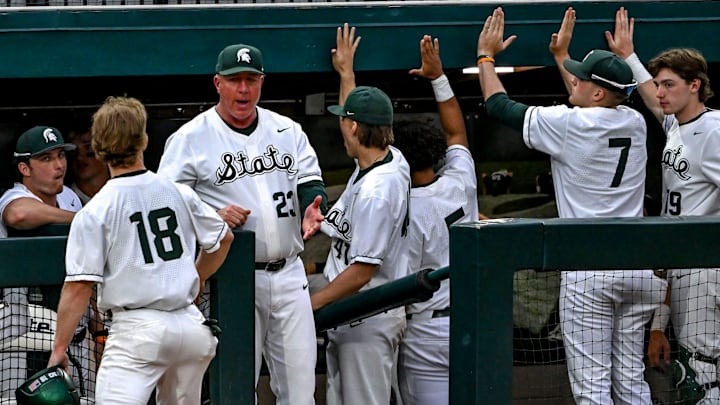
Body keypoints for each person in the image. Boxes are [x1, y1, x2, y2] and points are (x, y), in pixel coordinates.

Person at [476, 7, 666, 404]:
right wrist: (562, 58)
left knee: (592, 390)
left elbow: (498, 106)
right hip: (637, 268)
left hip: (590, 269)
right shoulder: (632, 120)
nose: (573, 78)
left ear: (597, 92)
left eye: (580, 76)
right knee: (631, 383)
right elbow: (593, 98)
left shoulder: (569, 124)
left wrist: (485, 58)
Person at [157, 43, 326, 404]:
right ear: (218, 83)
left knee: (300, 392)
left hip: (290, 273)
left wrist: (313, 207)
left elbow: (309, 180)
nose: (244, 89)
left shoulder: (287, 129)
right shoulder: (189, 138)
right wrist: (210, 218)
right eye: (235, 81)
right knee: (236, 387)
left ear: (262, 82)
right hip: (233, 277)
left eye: (251, 79)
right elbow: (165, 205)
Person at [48, 96, 234, 404]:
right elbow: (223, 239)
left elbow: (80, 286)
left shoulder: (96, 210)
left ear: (100, 144)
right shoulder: (178, 191)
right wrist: (197, 278)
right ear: (143, 140)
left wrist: (59, 349)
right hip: (190, 329)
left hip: (137, 332)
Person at [607, 7, 720, 403]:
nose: (660, 93)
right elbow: (652, 101)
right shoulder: (676, 123)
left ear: (695, 85)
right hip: (682, 265)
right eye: (657, 84)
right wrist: (628, 57)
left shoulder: (715, 131)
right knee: (695, 367)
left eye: (669, 84)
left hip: (707, 267)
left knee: (702, 371)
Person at [309, 23, 411, 405]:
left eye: (345, 121)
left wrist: (312, 306)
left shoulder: (377, 191)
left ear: (354, 128)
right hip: (360, 315)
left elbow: (362, 270)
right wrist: (347, 75)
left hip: (366, 314)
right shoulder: (388, 157)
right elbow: (356, 116)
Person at [391, 35, 478, 405]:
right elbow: (457, 132)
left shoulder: (404, 207)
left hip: (428, 332)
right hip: (475, 322)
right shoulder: (462, 180)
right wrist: (438, 78)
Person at [0, 125, 85, 398]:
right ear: (25, 168)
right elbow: (18, 215)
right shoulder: (14, 196)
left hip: (72, 327)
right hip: (20, 331)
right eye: (46, 159)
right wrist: (81, 220)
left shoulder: (70, 198)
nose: (58, 165)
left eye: (61, 155)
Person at [67, 125, 110, 205]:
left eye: (88, 148)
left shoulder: (125, 191)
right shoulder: (64, 200)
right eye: (73, 151)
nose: (79, 157)